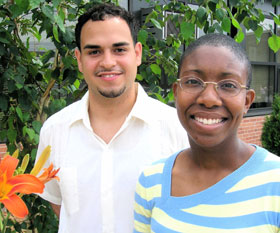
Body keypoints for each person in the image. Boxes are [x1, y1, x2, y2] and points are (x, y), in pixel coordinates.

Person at [35, 2, 189, 233]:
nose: (107, 62)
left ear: (137, 54)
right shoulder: (55, 130)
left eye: (119, 49)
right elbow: (58, 204)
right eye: (94, 51)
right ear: (78, 59)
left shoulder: (176, 128)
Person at [134, 33, 280, 232]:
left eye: (228, 85)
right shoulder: (152, 180)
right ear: (176, 92)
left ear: (247, 101)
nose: (209, 99)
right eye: (193, 82)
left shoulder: (275, 182)